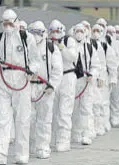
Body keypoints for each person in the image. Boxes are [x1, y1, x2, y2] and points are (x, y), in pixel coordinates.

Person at [0, 9, 40, 165]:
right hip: (3, 79)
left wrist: (32, 70)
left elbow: (36, 60)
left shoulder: (26, 38)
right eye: (5, 23)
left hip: (22, 79)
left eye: (10, 22)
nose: (7, 26)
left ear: (16, 22)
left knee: (22, 118)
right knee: (1, 118)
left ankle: (22, 155)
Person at [29, 21, 63, 158]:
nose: (35, 36)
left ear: (43, 33)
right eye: (33, 32)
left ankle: (43, 147)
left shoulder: (51, 48)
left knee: (44, 119)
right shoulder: (26, 47)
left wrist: (52, 85)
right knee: (28, 118)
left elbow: (58, 69)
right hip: (29, 86)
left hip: (45, 88)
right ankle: (30, 145)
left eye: (38, 33)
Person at [47, 20, 78, 151]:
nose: (55, 34)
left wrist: (61, 47)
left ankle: (64, 140)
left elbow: (72, 57)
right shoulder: (47, 43)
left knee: (65, 111)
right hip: (54, 78)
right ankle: (52, 138)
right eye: (52, 31)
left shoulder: (68, 41)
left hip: (67, 77)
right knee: (52, 110)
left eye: (57, 31)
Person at [91, 24, 119, 136]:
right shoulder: (89, 44)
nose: (96, 32)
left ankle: (102, 124)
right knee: (93, 103)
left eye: (99, 30)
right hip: (92, 77)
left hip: (103, 78)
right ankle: (94, 126)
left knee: (103, 102)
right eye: (95, 30)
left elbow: (111, 64)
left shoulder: (106, 46)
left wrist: (112, 77)